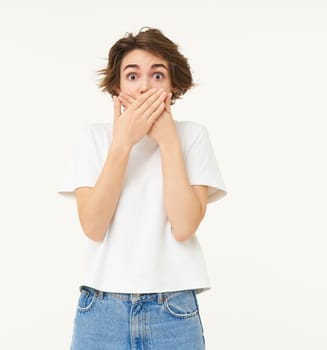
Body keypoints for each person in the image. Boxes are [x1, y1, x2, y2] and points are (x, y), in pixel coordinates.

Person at [58, 27, 227, 350]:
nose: (145, 86)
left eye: (158, 75)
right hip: (101, 309)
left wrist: (168, 142)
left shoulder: (192, 136)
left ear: (174, 84)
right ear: (117, 86)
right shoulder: (93, 138)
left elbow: (185, 226)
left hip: (173, 309)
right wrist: (122, 144)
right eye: (132, 76)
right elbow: (93, 226)